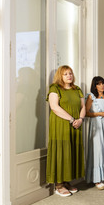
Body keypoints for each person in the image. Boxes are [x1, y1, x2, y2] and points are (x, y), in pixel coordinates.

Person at [46, 65, 85, 197]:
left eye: (70, 73)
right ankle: (58, 184)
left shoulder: (77, 89)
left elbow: (83, 106)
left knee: (71, 152)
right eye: (65, 74)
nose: (69, 76)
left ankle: (67, 181)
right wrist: (71, 119)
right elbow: (54, 107)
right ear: (60, 76)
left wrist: (80, 119)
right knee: (61, 152)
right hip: (61, 124)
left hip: (76, 124)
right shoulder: (55, 88)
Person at [85, 76, 104, 190]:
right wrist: (100, 114)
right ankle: (97, 179)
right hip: (96, 126)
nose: (101, 86)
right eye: (99, 84)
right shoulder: (91, 97)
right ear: (95, 86)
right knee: (97, 150)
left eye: (103, 83)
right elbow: (87, 113)